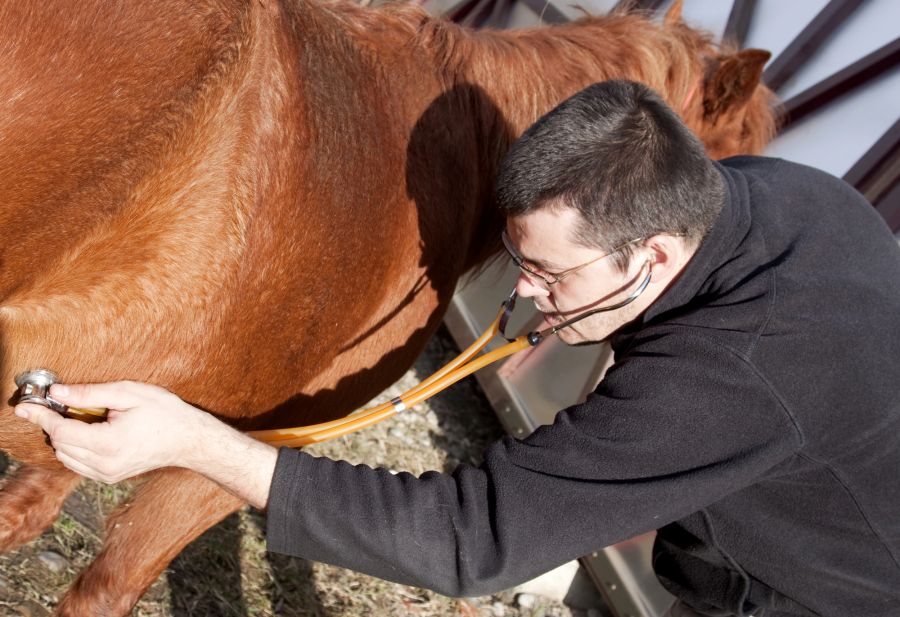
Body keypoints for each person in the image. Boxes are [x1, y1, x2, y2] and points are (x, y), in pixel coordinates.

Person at [16, 80, 900, 617]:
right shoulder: (754, 191)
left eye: (551, 274)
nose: (523, 292)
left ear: (654, 254)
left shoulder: (733, 373)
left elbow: (473, 542)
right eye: (517, 259)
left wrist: (194, 442)